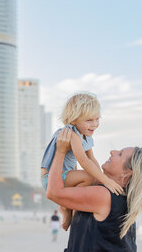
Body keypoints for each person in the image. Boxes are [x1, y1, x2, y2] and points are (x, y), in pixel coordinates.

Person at [47, 128, 142, 251]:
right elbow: (91, 165)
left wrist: (60, 152)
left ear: (126, 174)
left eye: (119, 154)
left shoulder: (104, 195)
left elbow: (53, 193)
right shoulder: (122, 200)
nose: (112, 152)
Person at [41, 92, 124, 229]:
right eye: (89, 120)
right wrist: (105, 180)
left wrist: (101, 178)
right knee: (90, 176)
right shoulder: (72, 134)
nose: (95, 124)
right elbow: (84, 162)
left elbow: (92, 159)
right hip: (50, 177)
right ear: (73, 120)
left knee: (93, 177)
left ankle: (68, 206)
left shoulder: (86, 136)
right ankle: (69, 205)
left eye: (97, 119)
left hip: (66, 176)